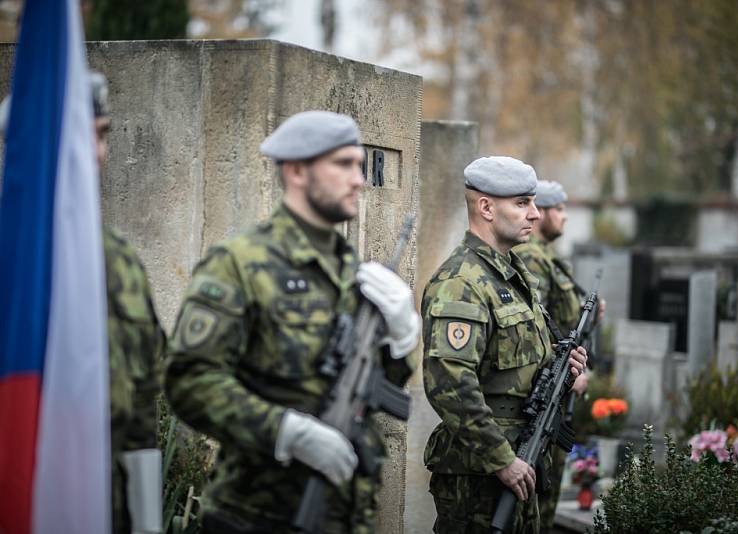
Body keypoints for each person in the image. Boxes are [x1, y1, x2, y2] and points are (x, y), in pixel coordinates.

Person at [164, 110, 420, 533]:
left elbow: (378, 388)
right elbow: (189, 381)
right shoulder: (240, 264)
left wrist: (401, 340)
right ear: (297, 171)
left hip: (345, 514)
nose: (358, 179)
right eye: (343, 164)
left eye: (359, 165)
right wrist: (285, 431)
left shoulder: (349, 271)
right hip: (258, 516)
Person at [1, 73, 165, 534]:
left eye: (101, 135)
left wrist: (147, 518)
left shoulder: (116, 260)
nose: (96, 154)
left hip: (101, 510)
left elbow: (143, 400)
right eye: (79, 136)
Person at [421, 156, 587, 533]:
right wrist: (501, 459)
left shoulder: (511, 276)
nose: (534, 214)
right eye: (522, 203)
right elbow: (449, 384)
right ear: (486, 207)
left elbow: (522, 362)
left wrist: (563, 366)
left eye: (532, 203)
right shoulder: (461, 282)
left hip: (521, 458)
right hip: (480, 472)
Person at [513, 180, 597, 532]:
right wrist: (566, 371)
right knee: (539, 498)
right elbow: (540, 323)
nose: (563, 217)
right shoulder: (533, 256)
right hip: (552, 381)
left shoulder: (547, 257)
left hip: (559, 381)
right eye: (559, 209)